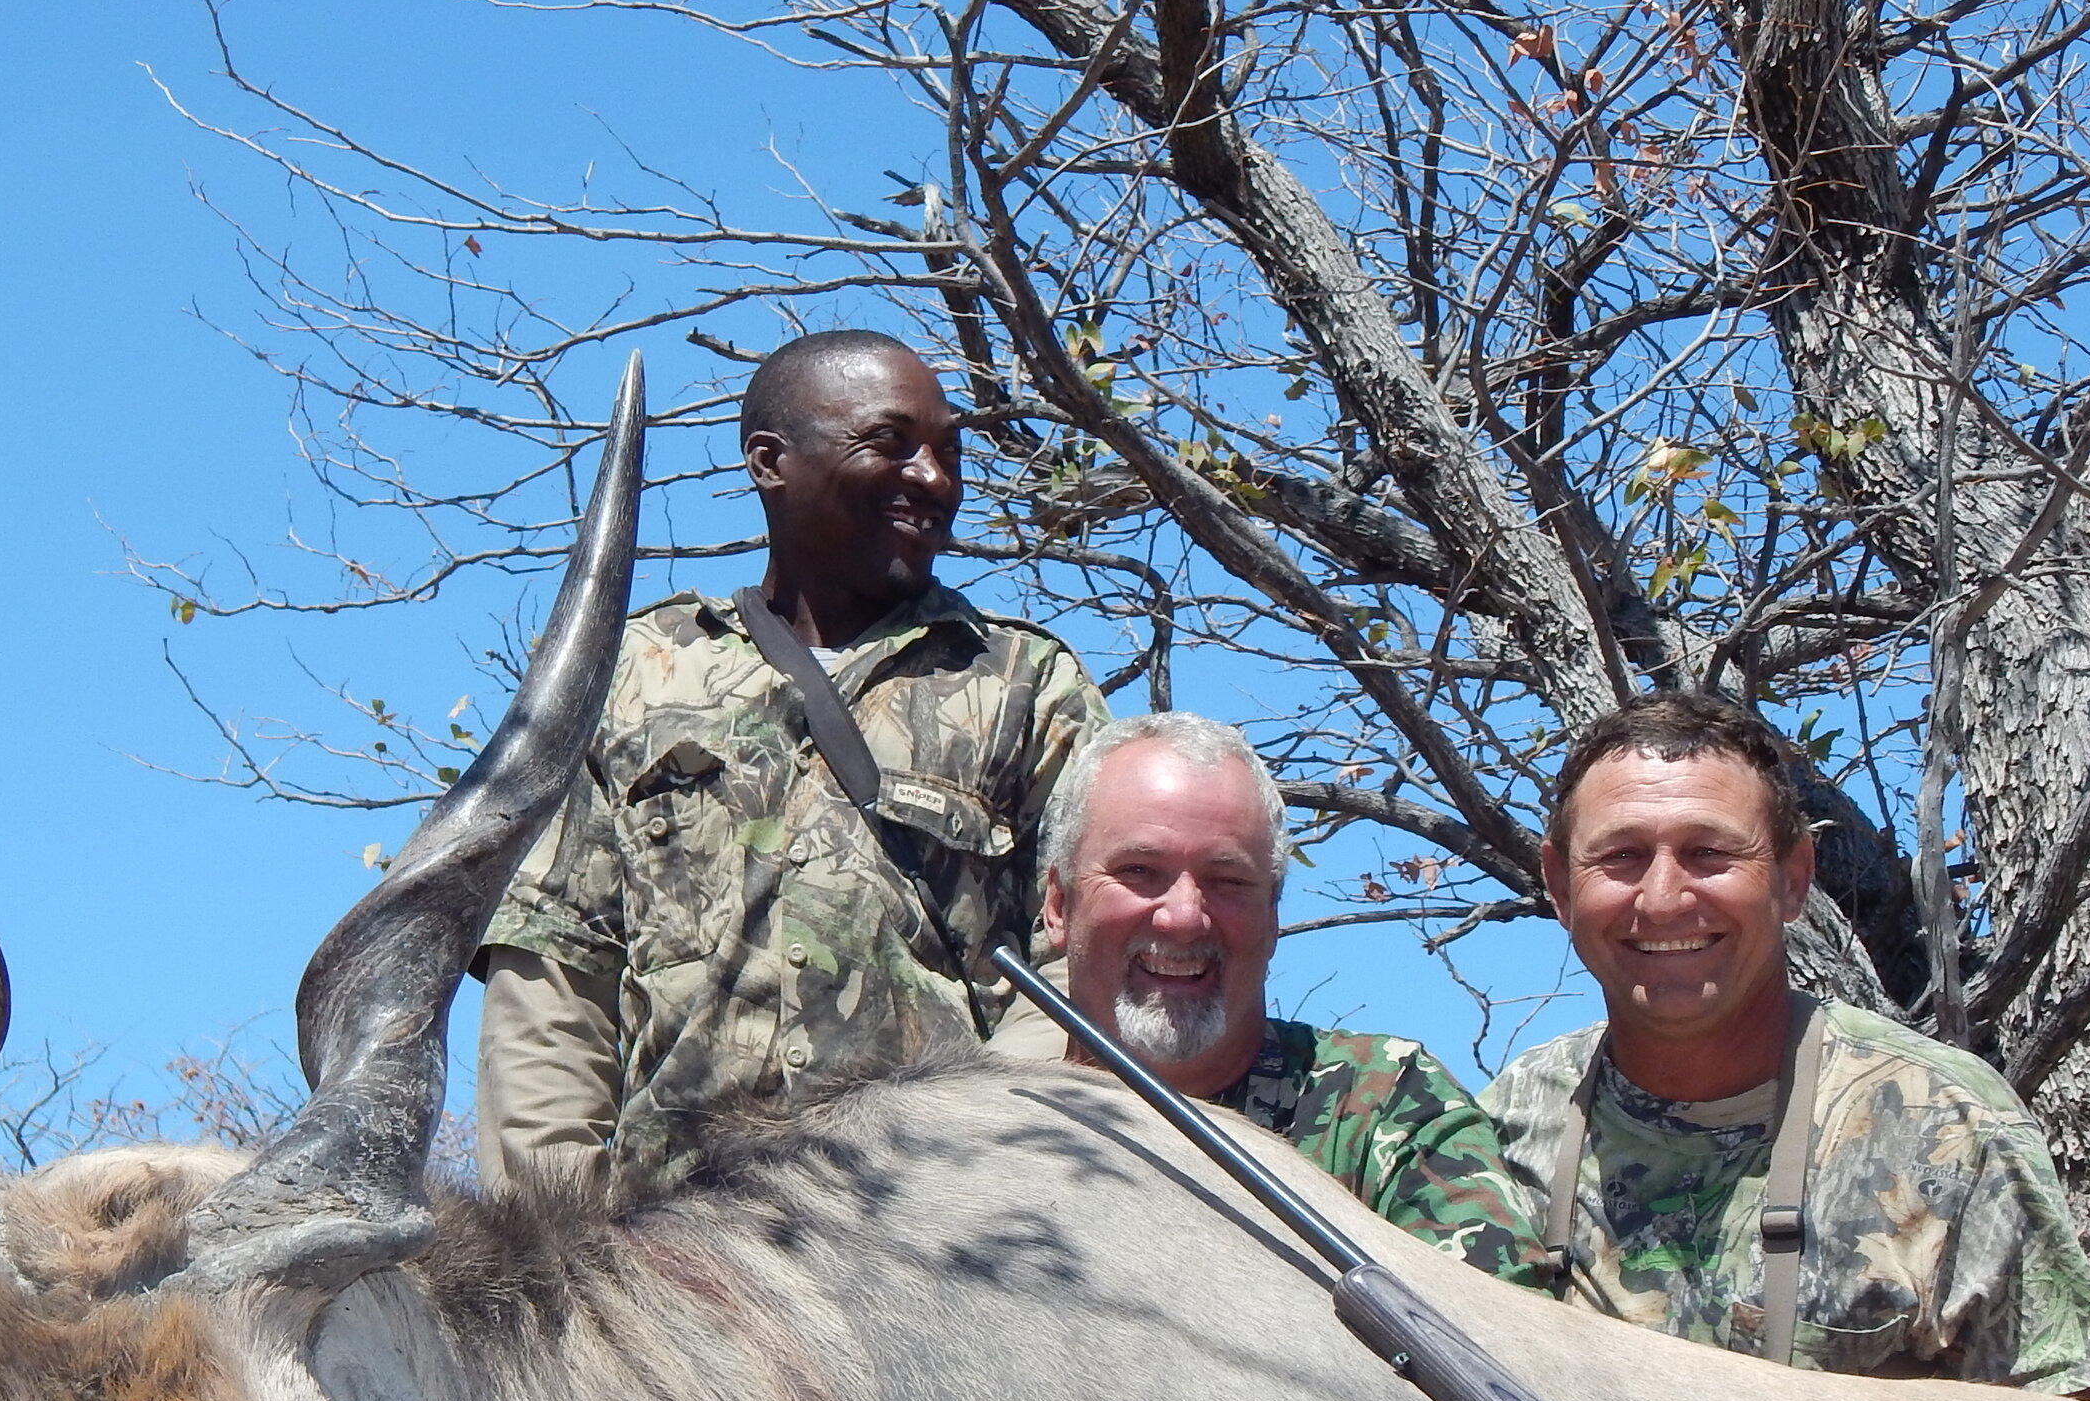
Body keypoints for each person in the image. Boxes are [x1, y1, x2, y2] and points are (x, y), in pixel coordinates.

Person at [472, 332, 1106, 1188]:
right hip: (678, 1257)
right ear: (771, 462)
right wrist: (557, 1252)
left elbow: (1089, 955)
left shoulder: (1028, 683)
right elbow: (554, 979)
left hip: (947, 1234)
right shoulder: (626, 676)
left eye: (949, 453)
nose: (936, 479)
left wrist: (992, 1153)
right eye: (891, 444)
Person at [1479, 693, 2090, 1390]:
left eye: (1709, 853)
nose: (1663, 897)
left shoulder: (1940, 1119)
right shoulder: (1509, 1121)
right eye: (1621, 856)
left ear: (1792, 880)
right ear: (1559, 886)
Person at [1043, 712, 1550, 1285]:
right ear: (1058, 906)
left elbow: (1501, 1348)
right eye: (1139, 871)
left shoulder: (1386, 1103)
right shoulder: (991, 1121)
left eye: (1228, 880)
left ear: (1274, 916)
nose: (1184, 918)